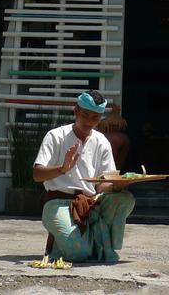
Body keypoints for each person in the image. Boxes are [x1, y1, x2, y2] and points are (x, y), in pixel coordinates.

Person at [33, 90, 136, 263]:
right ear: (75, 111)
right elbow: (37, 175)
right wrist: (62, 168)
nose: (89, 121)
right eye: (85, 115)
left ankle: (92, 241)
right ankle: (90, 244)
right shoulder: (55, 136)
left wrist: (116, 185)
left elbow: (101, 185)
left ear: (101, 118)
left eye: (95, 117)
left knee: (125, 199)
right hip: (57, 203)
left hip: (91, 203)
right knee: (78, 254)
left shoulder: (102, 141)